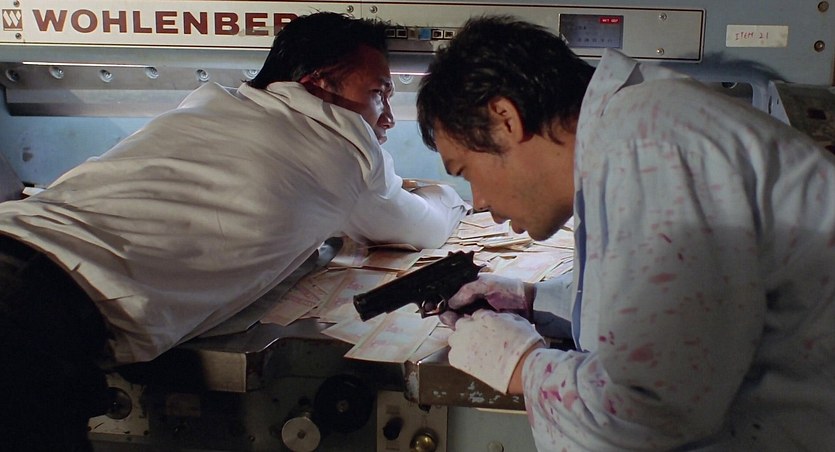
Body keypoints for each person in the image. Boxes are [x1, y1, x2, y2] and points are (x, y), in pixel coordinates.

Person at [0, 12, 467, 451]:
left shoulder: (211, 105)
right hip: (34, 316)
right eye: (379, 93)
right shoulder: (344, 147)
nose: (388, 117)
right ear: (319, 84)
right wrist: (450, 192)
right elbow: (424, 227)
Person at [417, 15, 835, 451]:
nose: (478, 201)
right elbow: (662, 298)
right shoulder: (631, 134)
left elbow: (652, 413)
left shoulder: (652, 150)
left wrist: (521, 364)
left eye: (465, 171)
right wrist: (534, 300)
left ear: (505, 118)